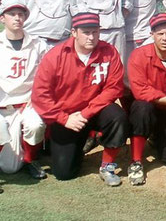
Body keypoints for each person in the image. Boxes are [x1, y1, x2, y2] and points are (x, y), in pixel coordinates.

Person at [31, 12, 129, 185]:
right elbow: (40, 95)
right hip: (66, 117)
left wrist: (86, 113)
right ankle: (78, 143)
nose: (91, 37)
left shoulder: (109, 52)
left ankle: (107, 165)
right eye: (86, 32)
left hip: (95, 111)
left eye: (95, 32)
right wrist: (63, 118)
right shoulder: (55, 56)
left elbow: (114, 88)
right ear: (74, 32)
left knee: (117, 116)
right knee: (64, 173)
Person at [126, 13, 166, 186]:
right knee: (141, 107)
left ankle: (155, 136)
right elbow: (140, 91)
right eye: (160, 33)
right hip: (151, 108)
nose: (164, 38)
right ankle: (136, 161)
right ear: (151, 34)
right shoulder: (138, 56)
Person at [0, 0, 47, 179]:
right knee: (9, 168)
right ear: (2, 18)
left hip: (27, 103)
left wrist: (37, 100)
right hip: (3, 106)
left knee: (36, 124)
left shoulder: (37, 43)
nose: (17, 18)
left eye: (21, 14)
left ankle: (30, 159)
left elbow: (45, 75)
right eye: (12, 14)